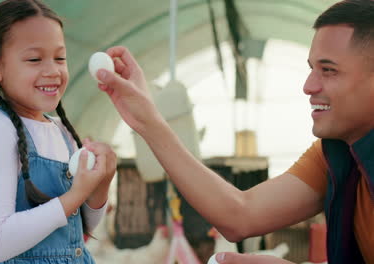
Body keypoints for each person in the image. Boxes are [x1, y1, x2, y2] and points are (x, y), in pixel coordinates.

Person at [95, 0, 374, 263]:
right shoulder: (336, 152)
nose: (308, 86)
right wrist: (147, 120)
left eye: (329, 70)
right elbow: (240, 214)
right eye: (312, 69)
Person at [0, 0, 116, 263]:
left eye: (60, 58)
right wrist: (76, 194)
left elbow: (79, 229)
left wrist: (100, 183)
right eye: (35, 59)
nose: (53, 70)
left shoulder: (62, 132)